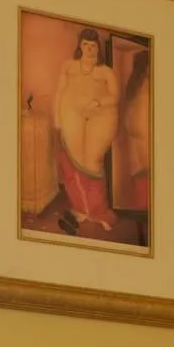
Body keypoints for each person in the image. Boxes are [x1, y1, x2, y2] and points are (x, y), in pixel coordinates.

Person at [52, 29, 121, 235]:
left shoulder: (106, 71)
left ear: (98, 48)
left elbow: (115, 96)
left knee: (93, 161)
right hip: (71, 114)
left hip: (101, 115)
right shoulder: (69, 66)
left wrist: (98, 102)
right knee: (76, 161)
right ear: (79, 46)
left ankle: (100, 212)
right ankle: (82, 209)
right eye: (85, 44)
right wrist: (57, 121)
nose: (89, 49)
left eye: (93, 45)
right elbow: (59, 92)